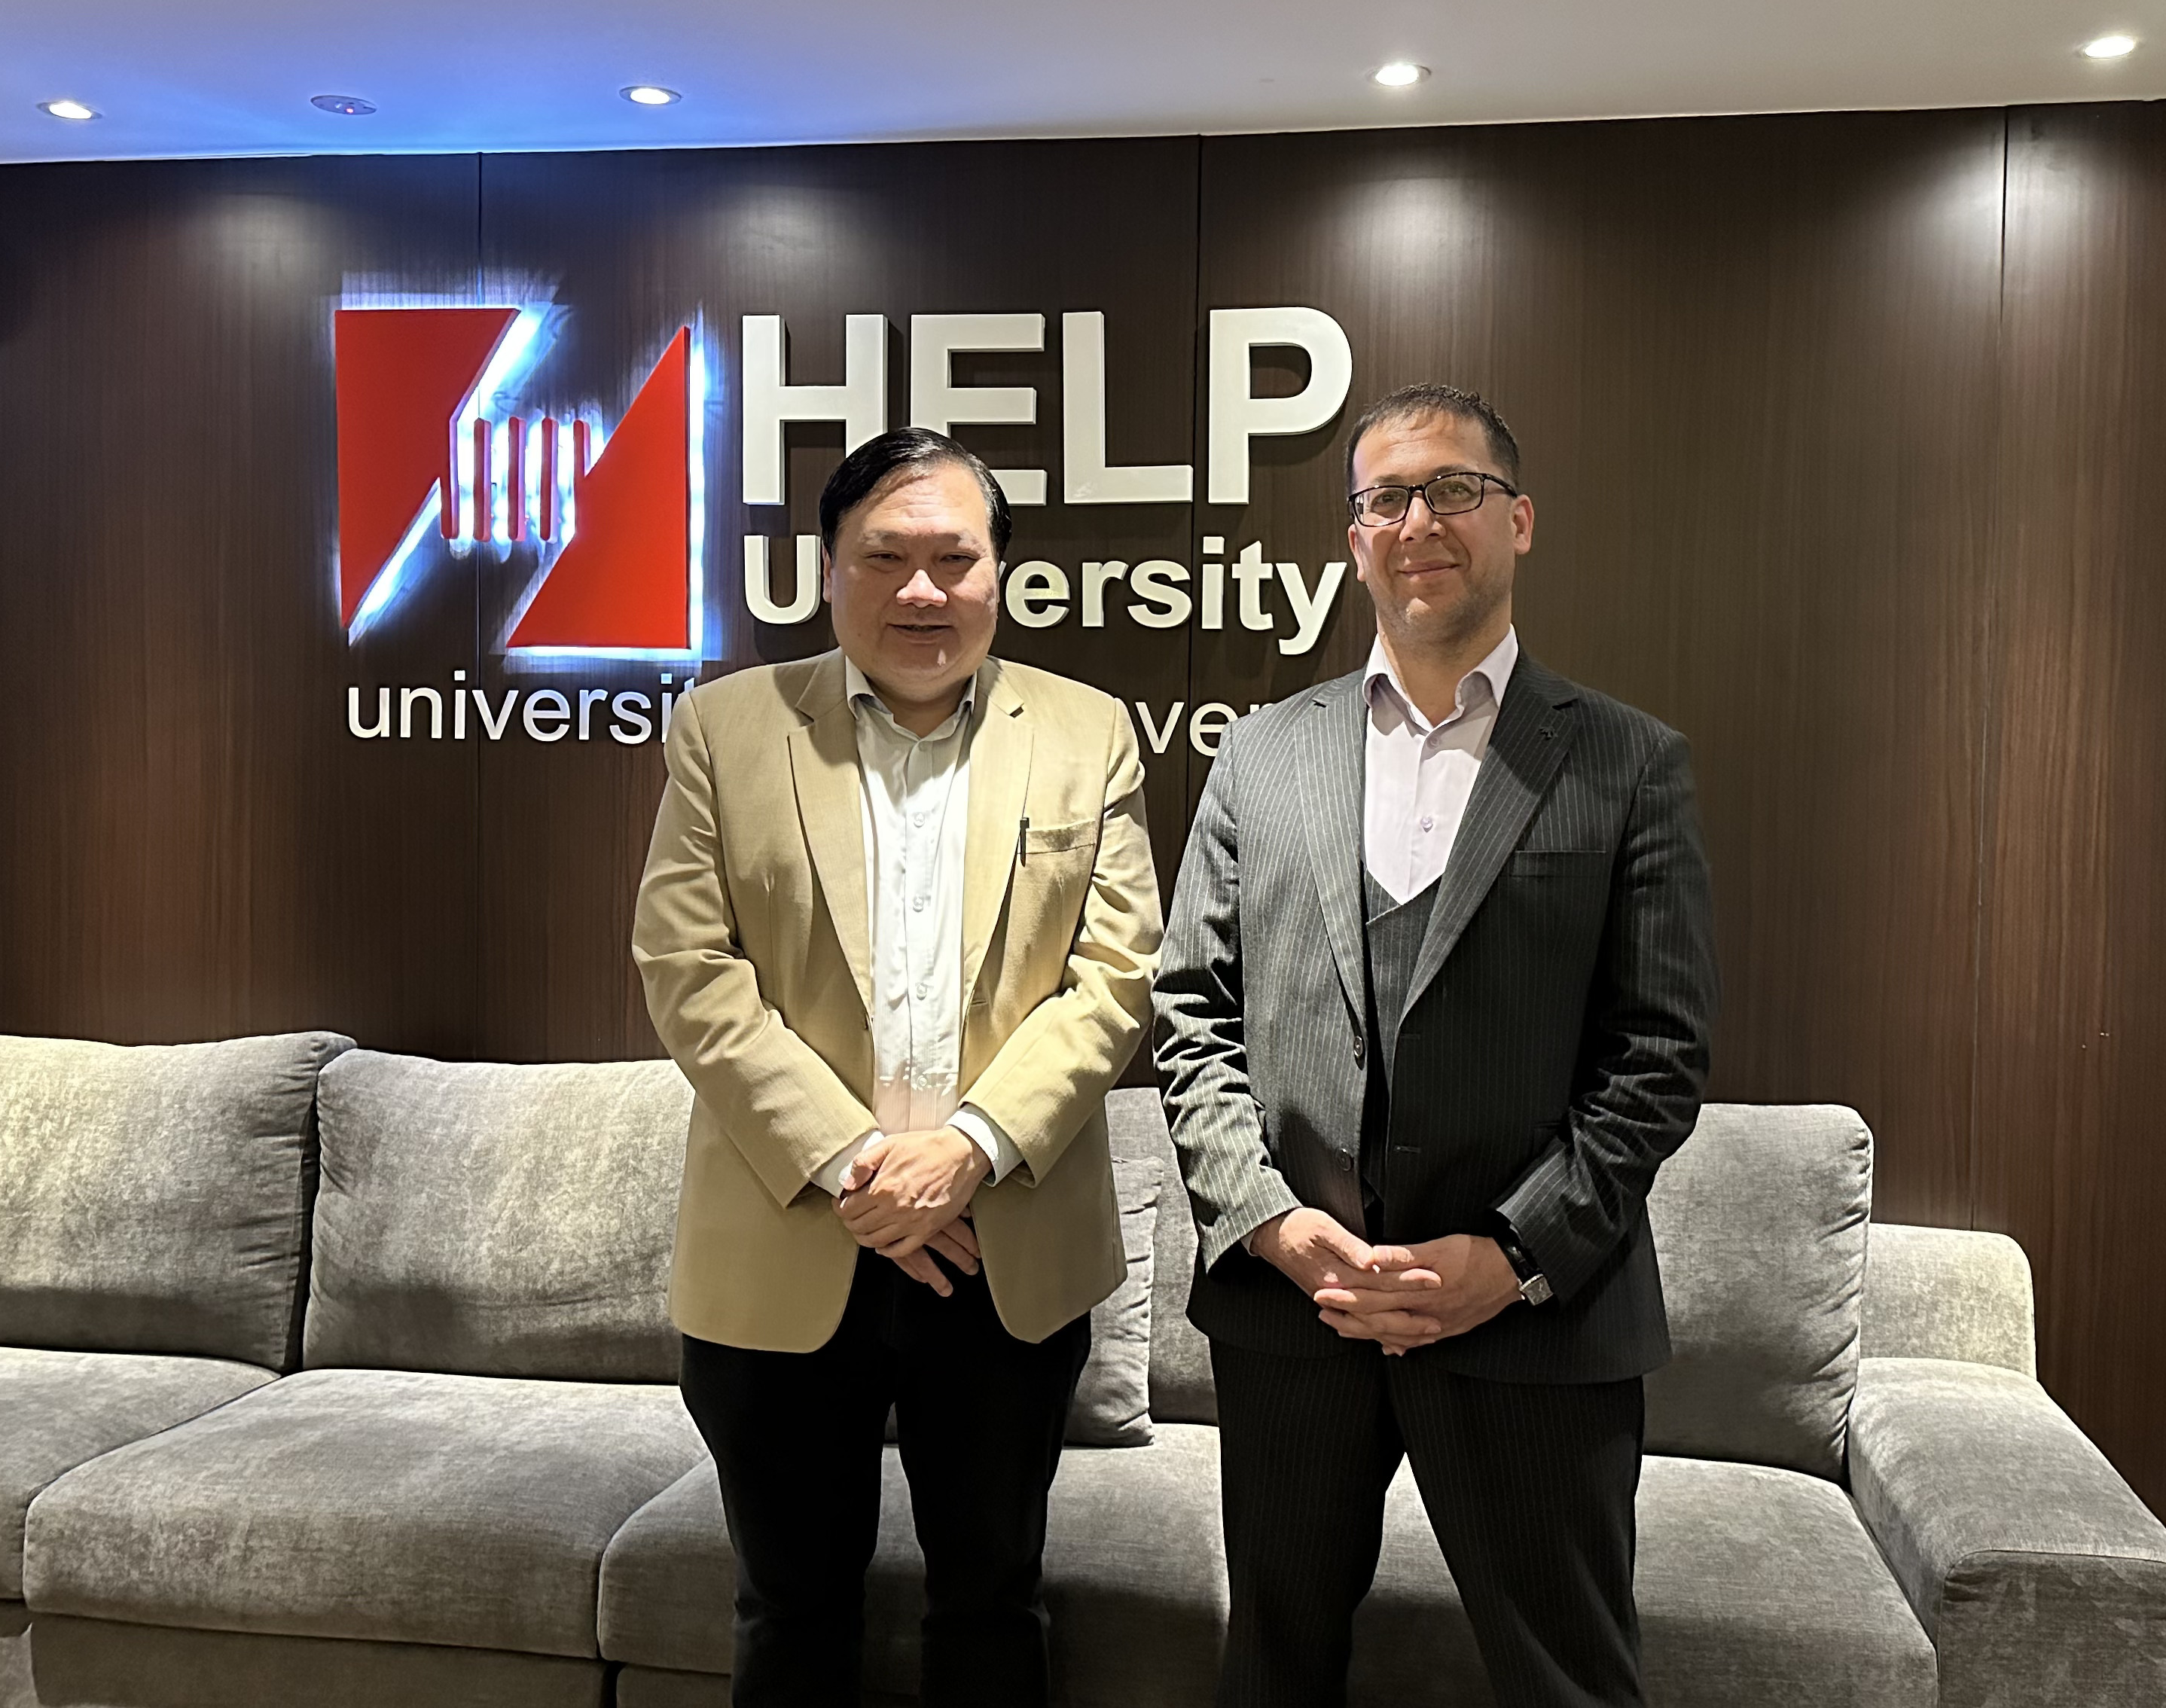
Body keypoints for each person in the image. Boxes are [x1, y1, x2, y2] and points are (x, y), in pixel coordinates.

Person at [1155, 383, 1716, 1708]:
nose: (1419, 522)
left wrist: (1511, 1258)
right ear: (1355, 539)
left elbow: (1658, 1054)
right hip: (1297, 1316)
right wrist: (1271, 1226)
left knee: (1570, 1680)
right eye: (1386, 499)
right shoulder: (1260, 755)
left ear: (1518, 521)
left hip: (1536, 1327)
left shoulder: (1628, 763)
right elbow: (1191, 1015)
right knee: (1275, 1671)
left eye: (1454, 490)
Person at [632, 427, 1162, 1707]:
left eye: (954, 558)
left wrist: (967, 1150)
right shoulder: (725, 729)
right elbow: (689, 968)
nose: (922, 590)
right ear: (827, 571)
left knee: (992, 1606)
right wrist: (863, 1167)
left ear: (1000, 574)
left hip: (1003, 1252)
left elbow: (1115, 976)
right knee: (792, 1612)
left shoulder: (1086, 732)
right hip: (786, 1242)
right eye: (885, 557)